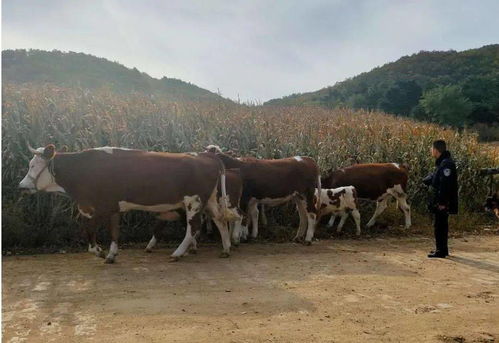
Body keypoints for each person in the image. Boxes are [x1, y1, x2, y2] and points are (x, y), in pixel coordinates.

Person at [422, 140, 458, 258]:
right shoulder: (442, 163)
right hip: (441, 201)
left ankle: (441, 251)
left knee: (440, 226)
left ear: (436, 150)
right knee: (440, 225)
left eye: (431, 149)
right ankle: (442, 249)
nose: (431, 151)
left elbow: (445, 185)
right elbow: (438, 178)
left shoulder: (446, 164)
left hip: (443, 202)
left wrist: (442, 202)